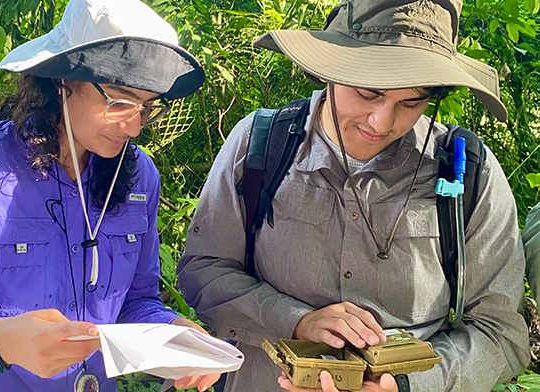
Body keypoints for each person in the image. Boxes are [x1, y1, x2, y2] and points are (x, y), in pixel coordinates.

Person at [177, 1, 529, 391]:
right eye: (368, 93)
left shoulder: (468, 171)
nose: (381, 122)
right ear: (329, 72)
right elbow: (204, 272)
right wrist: (294, 318)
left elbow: (501, 333)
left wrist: (412, 385)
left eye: (411, 101)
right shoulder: (259, 144)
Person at [0, 0, 220, 391]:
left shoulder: (137, 177)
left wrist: (175, 332)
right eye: (119, 101)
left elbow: (135, 302)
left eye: (147, 108)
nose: (133, 127)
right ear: (64, 81)